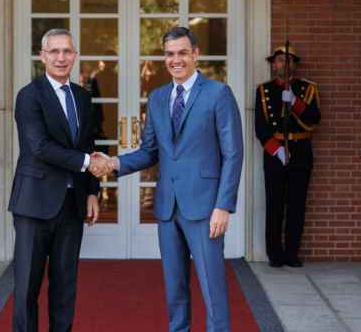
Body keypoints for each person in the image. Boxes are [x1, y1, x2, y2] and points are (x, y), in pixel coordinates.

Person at [96, 26, 243, 332]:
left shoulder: (218, 94)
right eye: (170, 54)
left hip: (205, 208)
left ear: (195, 54)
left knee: (212, 289)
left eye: (182, 53)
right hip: (167, 207)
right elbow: (150, 151)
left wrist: (224, 206)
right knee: (175, 289)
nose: (176, 60)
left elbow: (233, 154)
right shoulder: (159, 98)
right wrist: (114, 163)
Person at [8, 28, 106, 332]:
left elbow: (89, 141)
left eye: (67, 51)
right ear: (43, 56)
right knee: (26, 288)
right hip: (34, 203)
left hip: (71, 204)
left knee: (65, 286)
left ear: (75, 56)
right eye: (54, 51)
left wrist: (92, 191)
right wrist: (90, 163)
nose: (61, 58)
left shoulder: (83, 97)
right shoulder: (29, 96)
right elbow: (40, 147)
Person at [254, 45, 321, 268]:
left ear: (294, 65)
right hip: (274, 153)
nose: (284, 64)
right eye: (280, 60)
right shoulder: (263, 90)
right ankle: (275, 254)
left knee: (297, 204)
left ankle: (292, 253)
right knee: (274, 203)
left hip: (301, 149)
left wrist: (294, 102)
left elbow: (314, 119)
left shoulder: (308, 89)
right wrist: (277, 149)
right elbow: (261, 127)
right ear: (274, 65)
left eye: (288, 60)